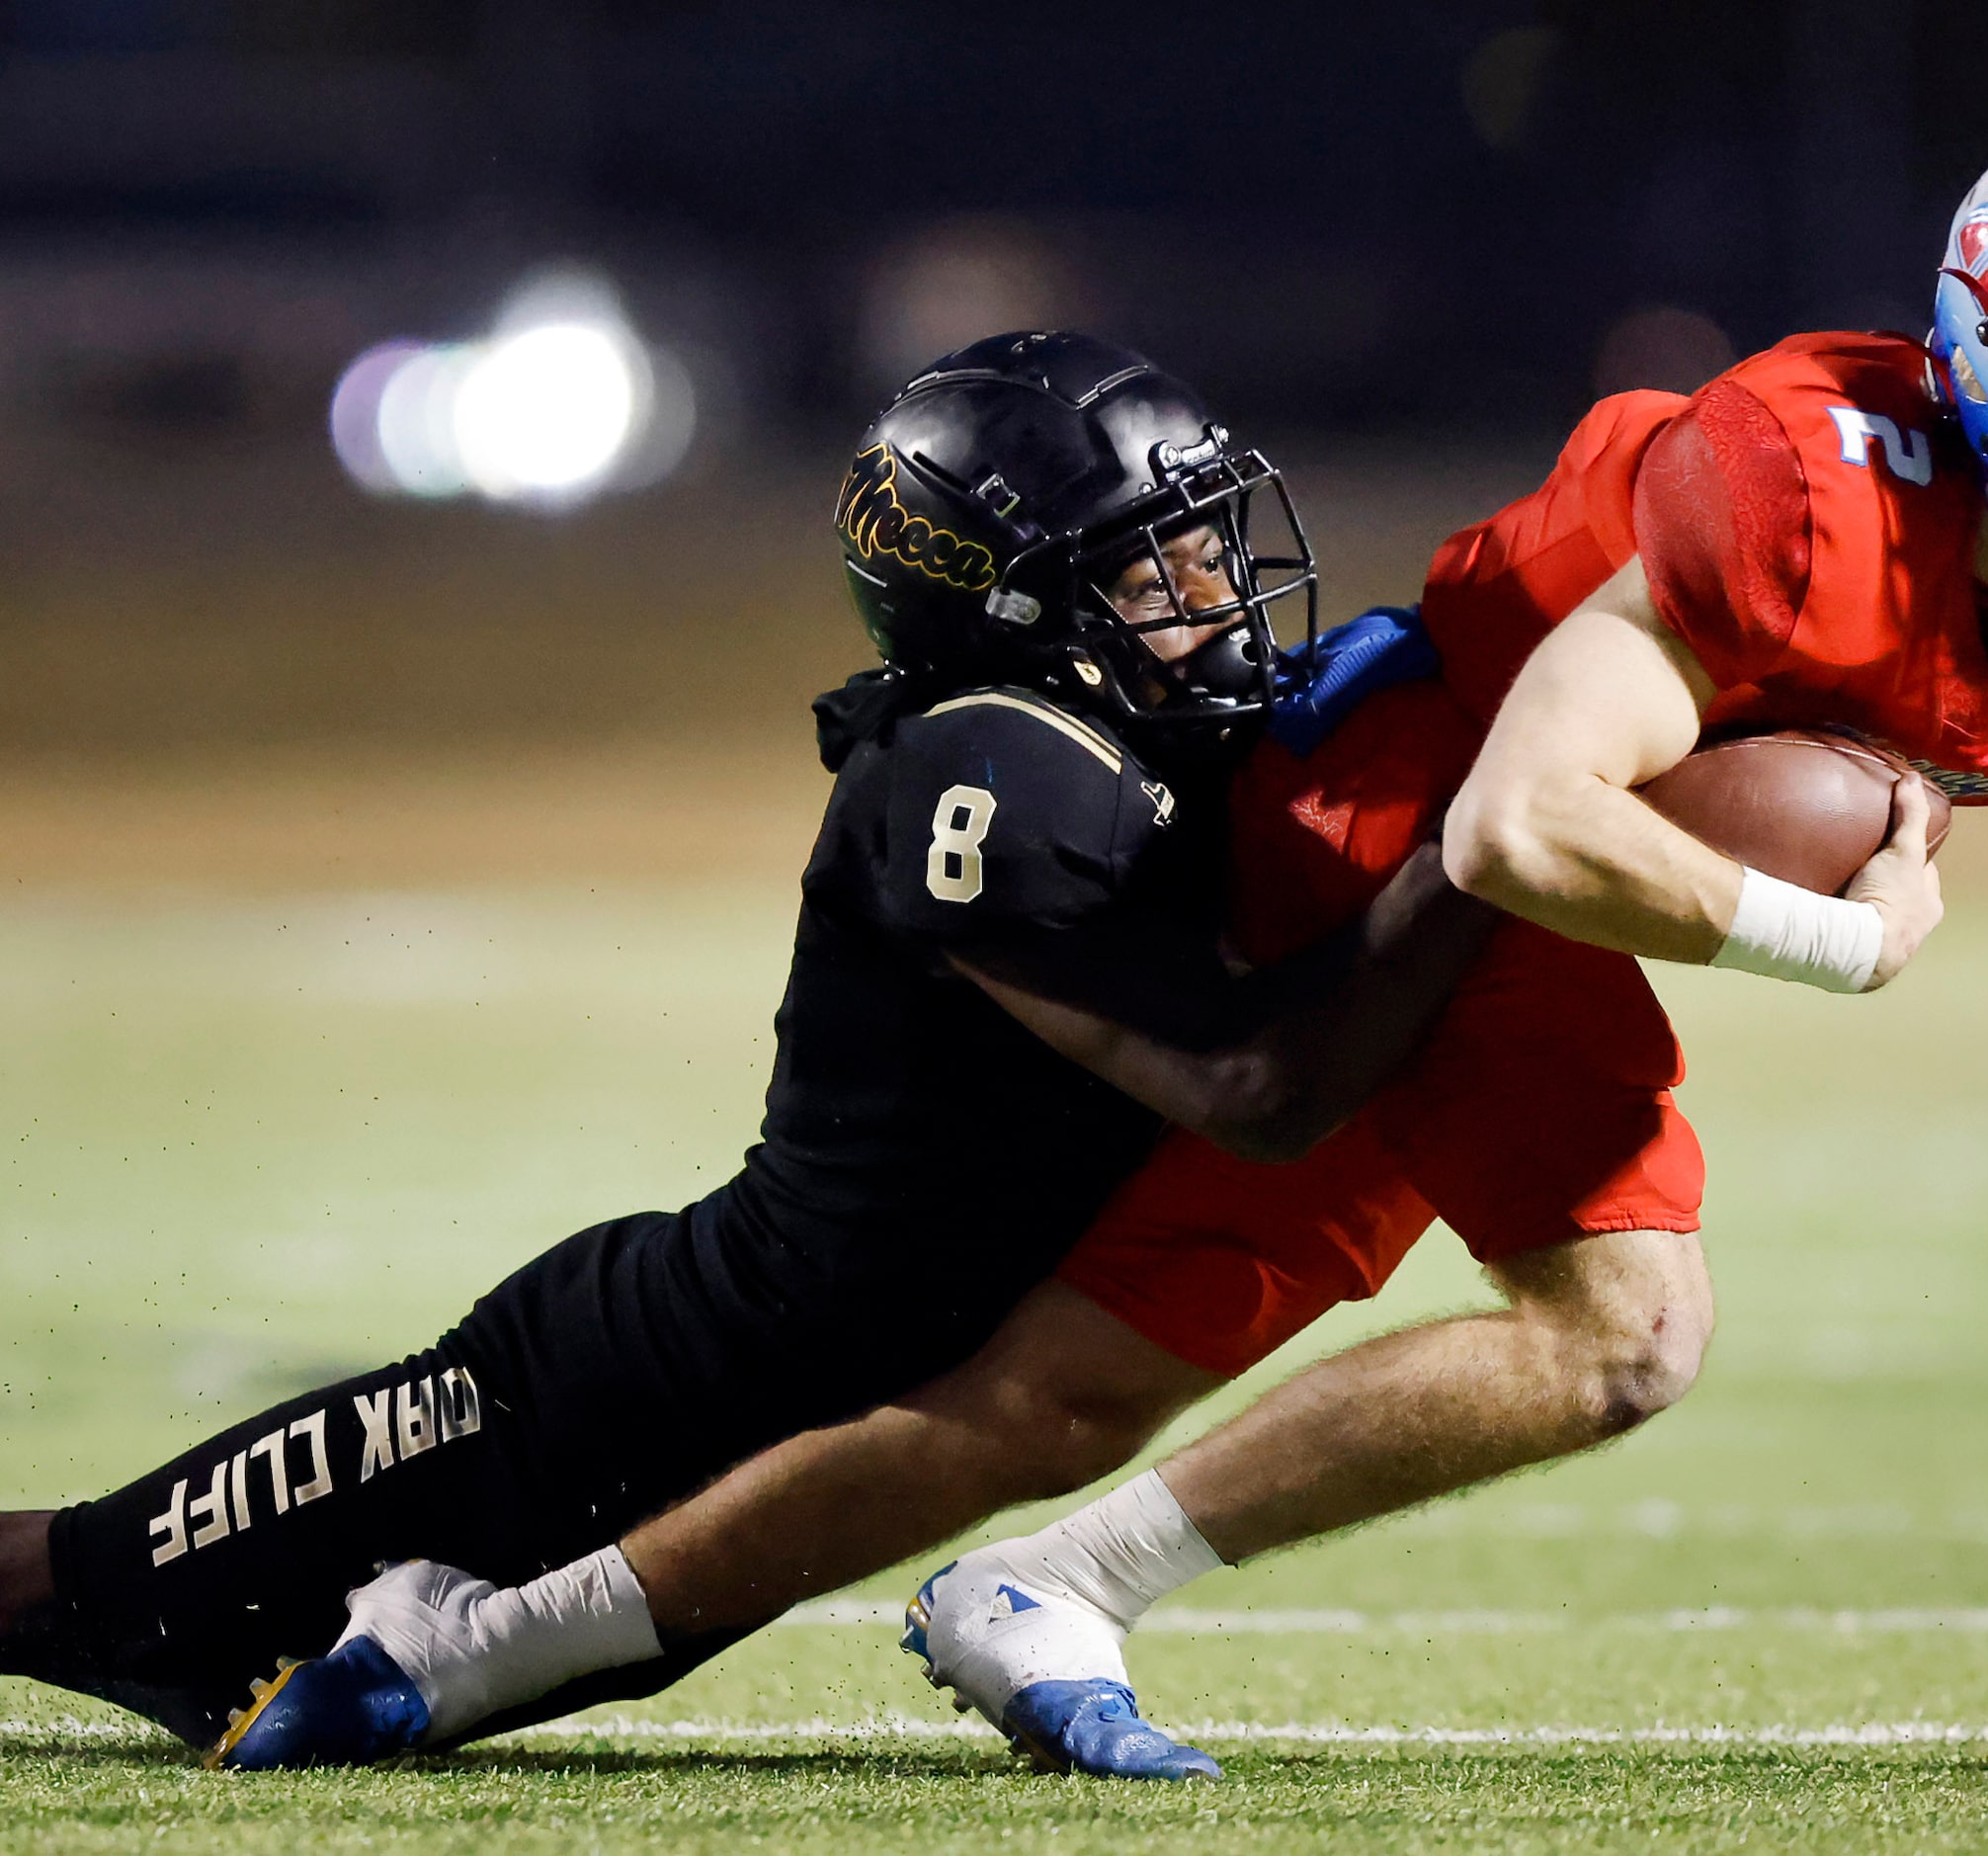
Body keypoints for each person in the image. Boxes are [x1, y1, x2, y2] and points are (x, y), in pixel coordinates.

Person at [269, 121, 1988, 1786]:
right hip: (1401, 806)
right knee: (1623, 1324)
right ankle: (979, 1589)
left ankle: (471, 1639)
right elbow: (1531, 808)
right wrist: (1850, 931)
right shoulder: (1801, 482)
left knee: (1045, 1397)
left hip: (1526, 867)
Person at [0, 332, 1511, 1772]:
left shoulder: (1133, 743)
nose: (1214, 590)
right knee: (72, 1581)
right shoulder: (984, 771)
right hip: (611, 1396)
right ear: (1006, 603)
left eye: (1206, 539)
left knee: (274, 1694)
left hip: (792, 1433)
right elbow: (1260, 1089)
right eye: (1149, 559)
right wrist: (1482, 846)